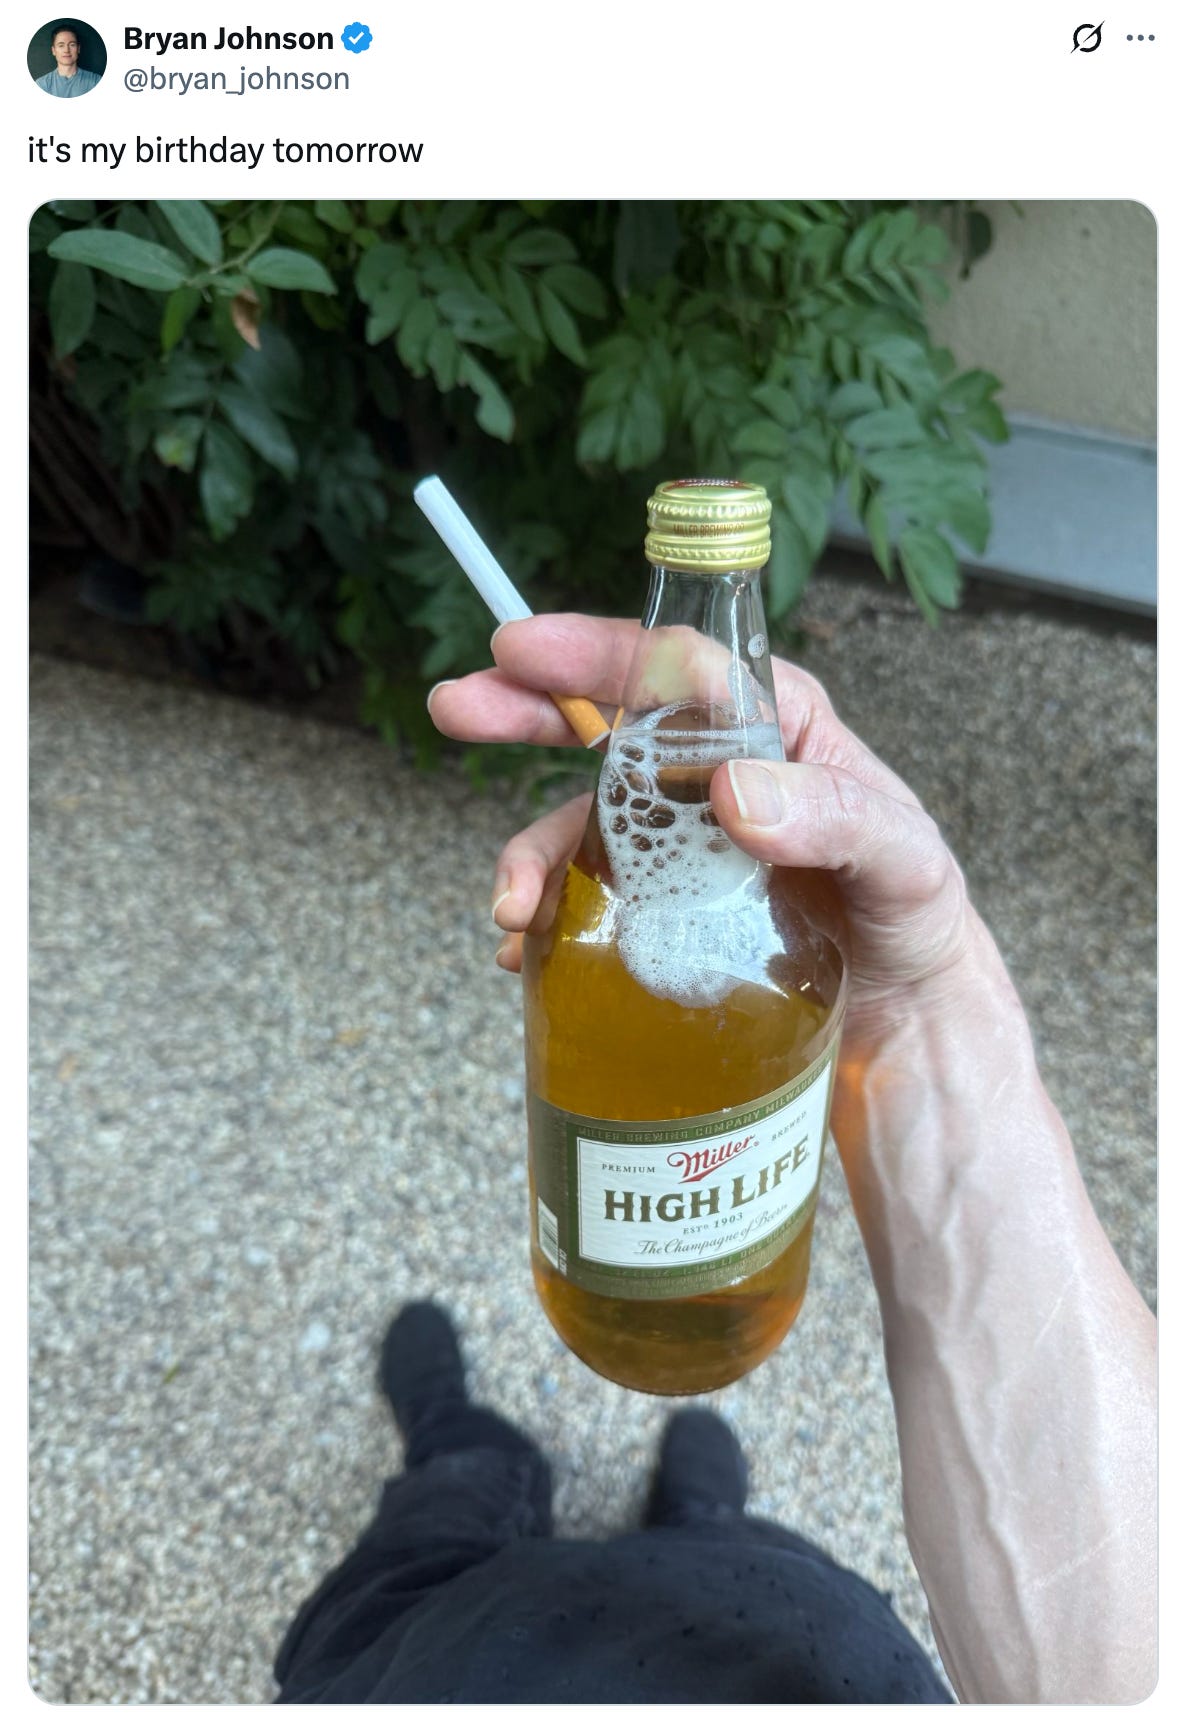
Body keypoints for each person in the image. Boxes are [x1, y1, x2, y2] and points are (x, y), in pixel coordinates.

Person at [276, 616, 1156, 1704]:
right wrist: (926, 1014)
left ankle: (468, 1458)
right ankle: (689, 1516)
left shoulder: (787, 907)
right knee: (747, 1562)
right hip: (798, 1650)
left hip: (453, 1670)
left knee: (424, 1550)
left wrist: (915, 1001)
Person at [35, 26, 101, 97]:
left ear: (78, 49)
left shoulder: (96, 81)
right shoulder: (41, 84)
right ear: (53, 50)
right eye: (61, 45)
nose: (66, 50)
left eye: (72, 45)